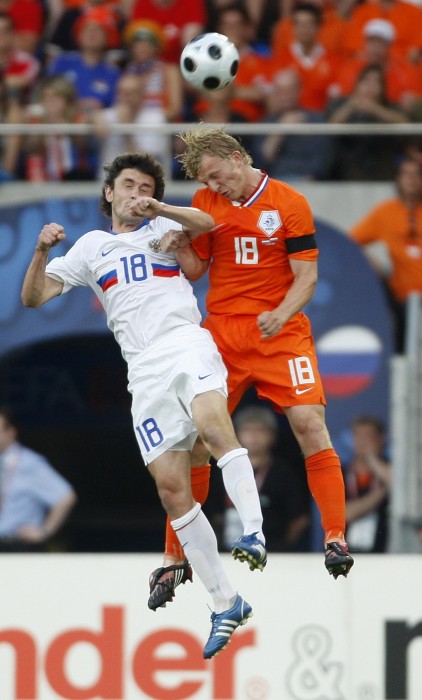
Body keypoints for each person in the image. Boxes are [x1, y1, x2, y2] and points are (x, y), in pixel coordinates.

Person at [21, 151, 263, 660]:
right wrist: (41, 250)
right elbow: (34, 297)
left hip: (184, 342)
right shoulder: (92, 247)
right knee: (172, 488)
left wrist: (162, 210)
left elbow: (206, 222)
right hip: (143, 369)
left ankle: (253, 532)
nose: (137, 194)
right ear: (109, 193)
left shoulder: (164, 228)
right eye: (129, 186)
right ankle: (226, 601)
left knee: (214, 429)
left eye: (146, 188)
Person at [155, 125, 354, 603]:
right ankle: (175, 556)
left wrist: (281, 313)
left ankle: (335, 536)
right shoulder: (205, 202)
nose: (215, 185)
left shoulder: (288, 202)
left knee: (310, 425)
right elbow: (198, 270)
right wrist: (180, 245)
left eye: (217, 175)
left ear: (236, 156)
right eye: (207, 180)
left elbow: (306, 277)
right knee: (197, 442)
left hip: (279, 332)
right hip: (223, 334)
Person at [349, 157, 422, 352]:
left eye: (416, 174)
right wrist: (370, 262)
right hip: (402, 295)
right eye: (405, 174)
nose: (411, 179)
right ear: (398, 179)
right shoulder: (386, 212)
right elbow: (351, 242)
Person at [214, 405, 311, 553]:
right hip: (224, 551)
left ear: (272, 436)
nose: (253, 436)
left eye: (260, 430)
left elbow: (300, 517)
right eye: (247, 430)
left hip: (273, 552)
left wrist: (282, 547)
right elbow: (212, 512)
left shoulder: (283, 472)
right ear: (236, 434)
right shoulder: (223, 468)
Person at [0, 406, 77, 551]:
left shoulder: (28, 463)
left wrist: (45, 531)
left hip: (15, 546)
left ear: (11, 432)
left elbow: (66, 496)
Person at [326, 63, 409, 181]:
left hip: (383, 168)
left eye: (376, 82)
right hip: (347, 170)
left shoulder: (390, 107)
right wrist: (352, 105)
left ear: (383, 87)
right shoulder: (340, 104)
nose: (371, 86)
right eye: (366, 81)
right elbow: (331, 125)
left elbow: (404, 122)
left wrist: (374, 108)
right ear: (357, 84)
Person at [252, 67, 335, 182]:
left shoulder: (316, 120)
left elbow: (324, 160)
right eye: (280, 90)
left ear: (299, 91)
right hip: (276, 183)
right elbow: (262, 161)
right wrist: (280, 129)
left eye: (290, 90)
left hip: (311, 183)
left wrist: (311, 180)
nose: (285, 95)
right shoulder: (266, 123)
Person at [344, 414, 391, 553]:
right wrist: (382, 492)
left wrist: (372, 459)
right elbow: (345, 514)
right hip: (345, 554)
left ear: (381, 439)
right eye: (358, 436)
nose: (363, 441)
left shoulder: (390, 469)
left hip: (385, 554)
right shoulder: (341, 472)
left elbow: (398, 486)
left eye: (368, 436)